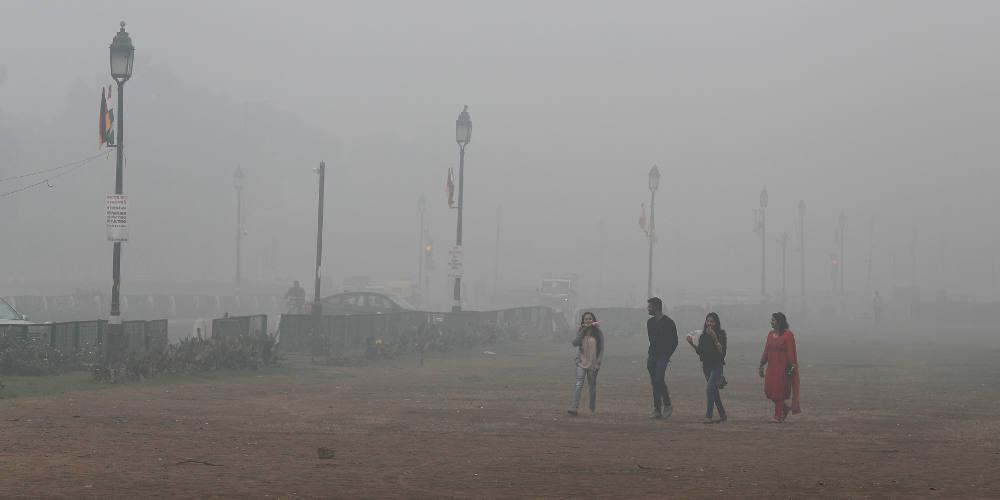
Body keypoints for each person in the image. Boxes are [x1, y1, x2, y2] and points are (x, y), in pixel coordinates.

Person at [758, 312, 801, 422]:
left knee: (779, 392)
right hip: (771, 368)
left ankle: (777, 416)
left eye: (773, 320)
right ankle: (785, 408)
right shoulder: (770, 334)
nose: (771, 322)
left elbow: (791, 352)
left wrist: (792, 366)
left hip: (782, 369)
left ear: (779, 322)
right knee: (769, 391)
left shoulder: (788, 335)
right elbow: (766, 350)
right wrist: (761, 364)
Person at [687, 312, 727, 423]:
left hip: (717, 366)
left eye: (712, 321)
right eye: (707, 321)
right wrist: (691, 344)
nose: (709, 323)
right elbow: (700, 352)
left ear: (716, 323)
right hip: (706, 367)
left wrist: (714, 338)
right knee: (714, 391)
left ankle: (708, 416)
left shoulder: (721, 334)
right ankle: (723, 415)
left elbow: (722, 352)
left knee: (710, 388)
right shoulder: (703, 336)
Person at [646, 297, 678, 420]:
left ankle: (668, 404)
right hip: (652, 356)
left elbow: (674, 341)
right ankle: (657, 410)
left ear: (655, 307)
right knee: (655, 382)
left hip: (663, 356)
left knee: (659, 380)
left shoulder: (669, 323)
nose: (648, 309)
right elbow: (652, 340)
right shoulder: (650, 323)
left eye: (649, 307)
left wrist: (667, 355)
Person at [567, 311, 604, 416]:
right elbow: (574, 343)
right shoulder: (581, 331)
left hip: (593, 364)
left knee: (592, 386)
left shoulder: (598, 333)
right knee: (578, 384)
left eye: (590, 319)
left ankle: (592, 406)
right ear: (583, 321)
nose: (588, 320)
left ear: (593, 320)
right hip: (581, 362)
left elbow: (601, 349)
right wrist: (583, 331)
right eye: (586, 319)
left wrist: (599, 362)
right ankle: (574, 408)